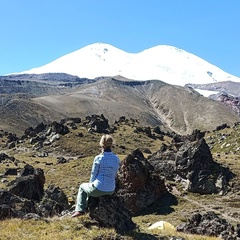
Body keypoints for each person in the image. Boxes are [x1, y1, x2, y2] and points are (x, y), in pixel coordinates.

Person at [71, 134, 120, 217]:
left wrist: (91, 185)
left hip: (98, 188)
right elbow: (115, 173)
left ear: (101, 144)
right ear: (111, 144)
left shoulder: (98, 158)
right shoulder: (116, 158)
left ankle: (80, 210)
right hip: (111, 189)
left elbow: (93, 174)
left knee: (82, 187)